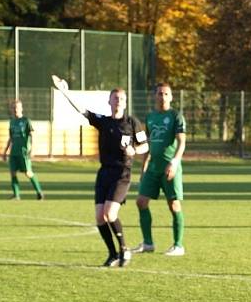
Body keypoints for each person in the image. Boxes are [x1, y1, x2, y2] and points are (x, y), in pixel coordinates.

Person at [52, 75, 148, 267]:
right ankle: (112, 254)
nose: (118, 101)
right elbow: (83, 111)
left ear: (125, 102)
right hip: (104, 173)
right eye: (115, 98)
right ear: (109, 101)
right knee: (99, 217)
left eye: (121, 98)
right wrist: (64, 92)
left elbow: (145, 146)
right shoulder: (103, 121)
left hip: (122, 174)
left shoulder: (132, 123)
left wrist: (134, 150)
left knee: (110, 213)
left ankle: (124, 250)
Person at [131, 82, 187, 256]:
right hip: (153, 168)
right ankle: (148, 243)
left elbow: (182, 142)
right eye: (159, 94)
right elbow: (147, 143)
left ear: (171, 97)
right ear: (154, 96)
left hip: (170, 168)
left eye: (166, 94)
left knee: (174, 205)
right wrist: (144, 165)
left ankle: (178, 245)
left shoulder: (176, 116)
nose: (162, 97)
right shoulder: (150, 117)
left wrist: (175, 162)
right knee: (141, 201)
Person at [2, 99, 44, 200]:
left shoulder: (26, 121)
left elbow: (32, 135)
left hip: (23, 152)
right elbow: (11, 137)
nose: (15, 109)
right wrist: (5, 151)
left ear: (21, 108)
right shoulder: (12, 121)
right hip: (14, 152)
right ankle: (16, 195)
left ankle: (39, 192)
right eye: (14, 108)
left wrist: (32, 149)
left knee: (28, 173)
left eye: (17, 107)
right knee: (12, 173)